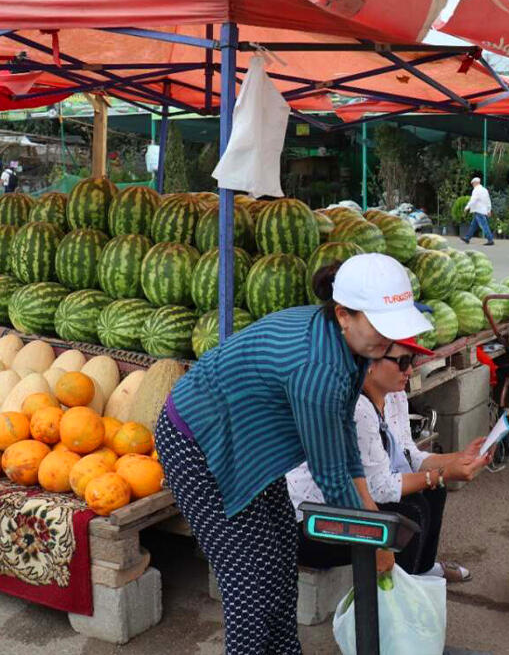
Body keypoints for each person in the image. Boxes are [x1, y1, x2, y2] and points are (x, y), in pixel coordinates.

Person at [156, 253, 433, 655]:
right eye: (381, 325)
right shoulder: (318, 369)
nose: (390, 338)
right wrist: (371, 542)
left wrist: (370, 515)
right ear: (343, 314)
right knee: (251, 588)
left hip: (250, 446)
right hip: (198, 446)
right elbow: (331, 475)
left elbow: (342, 433)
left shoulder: (355, 346)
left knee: (281, 559)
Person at [287, 339, 490, 582]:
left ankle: (421, 570)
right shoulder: (357, 408)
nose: (410, 370)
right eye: (402, 362)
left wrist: (459, 459)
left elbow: (408, 455)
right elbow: (381, 488)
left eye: (412, 360)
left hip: (353, 500)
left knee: (433, 491)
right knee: (408, 517)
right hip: (311, 521)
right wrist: (442, 473)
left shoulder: (395, 396)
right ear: (369, 364)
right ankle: (399, 590)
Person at [461, 176, 494, 245]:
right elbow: (488, 200)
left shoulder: (476, 190)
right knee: (473, 225)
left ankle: (490, 240)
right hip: (483, 210)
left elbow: (473, 199)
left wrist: (467, 207)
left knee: (484, 225)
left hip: (478, 210)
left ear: (475, 183)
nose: (472, 185)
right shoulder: (484, 190)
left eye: (473, 184)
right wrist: (489, 210)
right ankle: (467, 238)